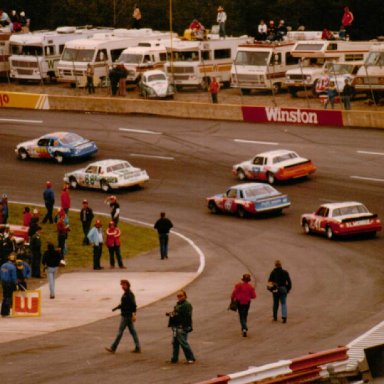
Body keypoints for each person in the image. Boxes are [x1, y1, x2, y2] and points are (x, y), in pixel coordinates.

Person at [106, 279, 141, 354]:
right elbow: (125, 304)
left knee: (120, 332)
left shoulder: (129, 294)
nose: (122, 286)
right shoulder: (126, 294)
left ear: (127, 285)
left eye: (123, 285)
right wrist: (119, 306)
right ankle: (138, 347)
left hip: (126, 316)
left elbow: (133, 305)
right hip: (126, 315)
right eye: (121, 285)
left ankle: (113, 347)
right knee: (133, 332)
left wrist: (134, 314)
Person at [167, 290, 195, 364]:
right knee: (175, 343)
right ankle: (174, 358)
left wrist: (184, 325)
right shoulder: (178, 304)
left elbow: (186, 317)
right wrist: (171, 313)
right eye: (178, 296)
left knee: (183, 343)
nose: (179, 297)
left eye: (181, 296)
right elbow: (176, 313)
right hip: (176, 326)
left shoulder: (186, 305)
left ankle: (190, 358)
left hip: (181, 327)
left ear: (185, 296)